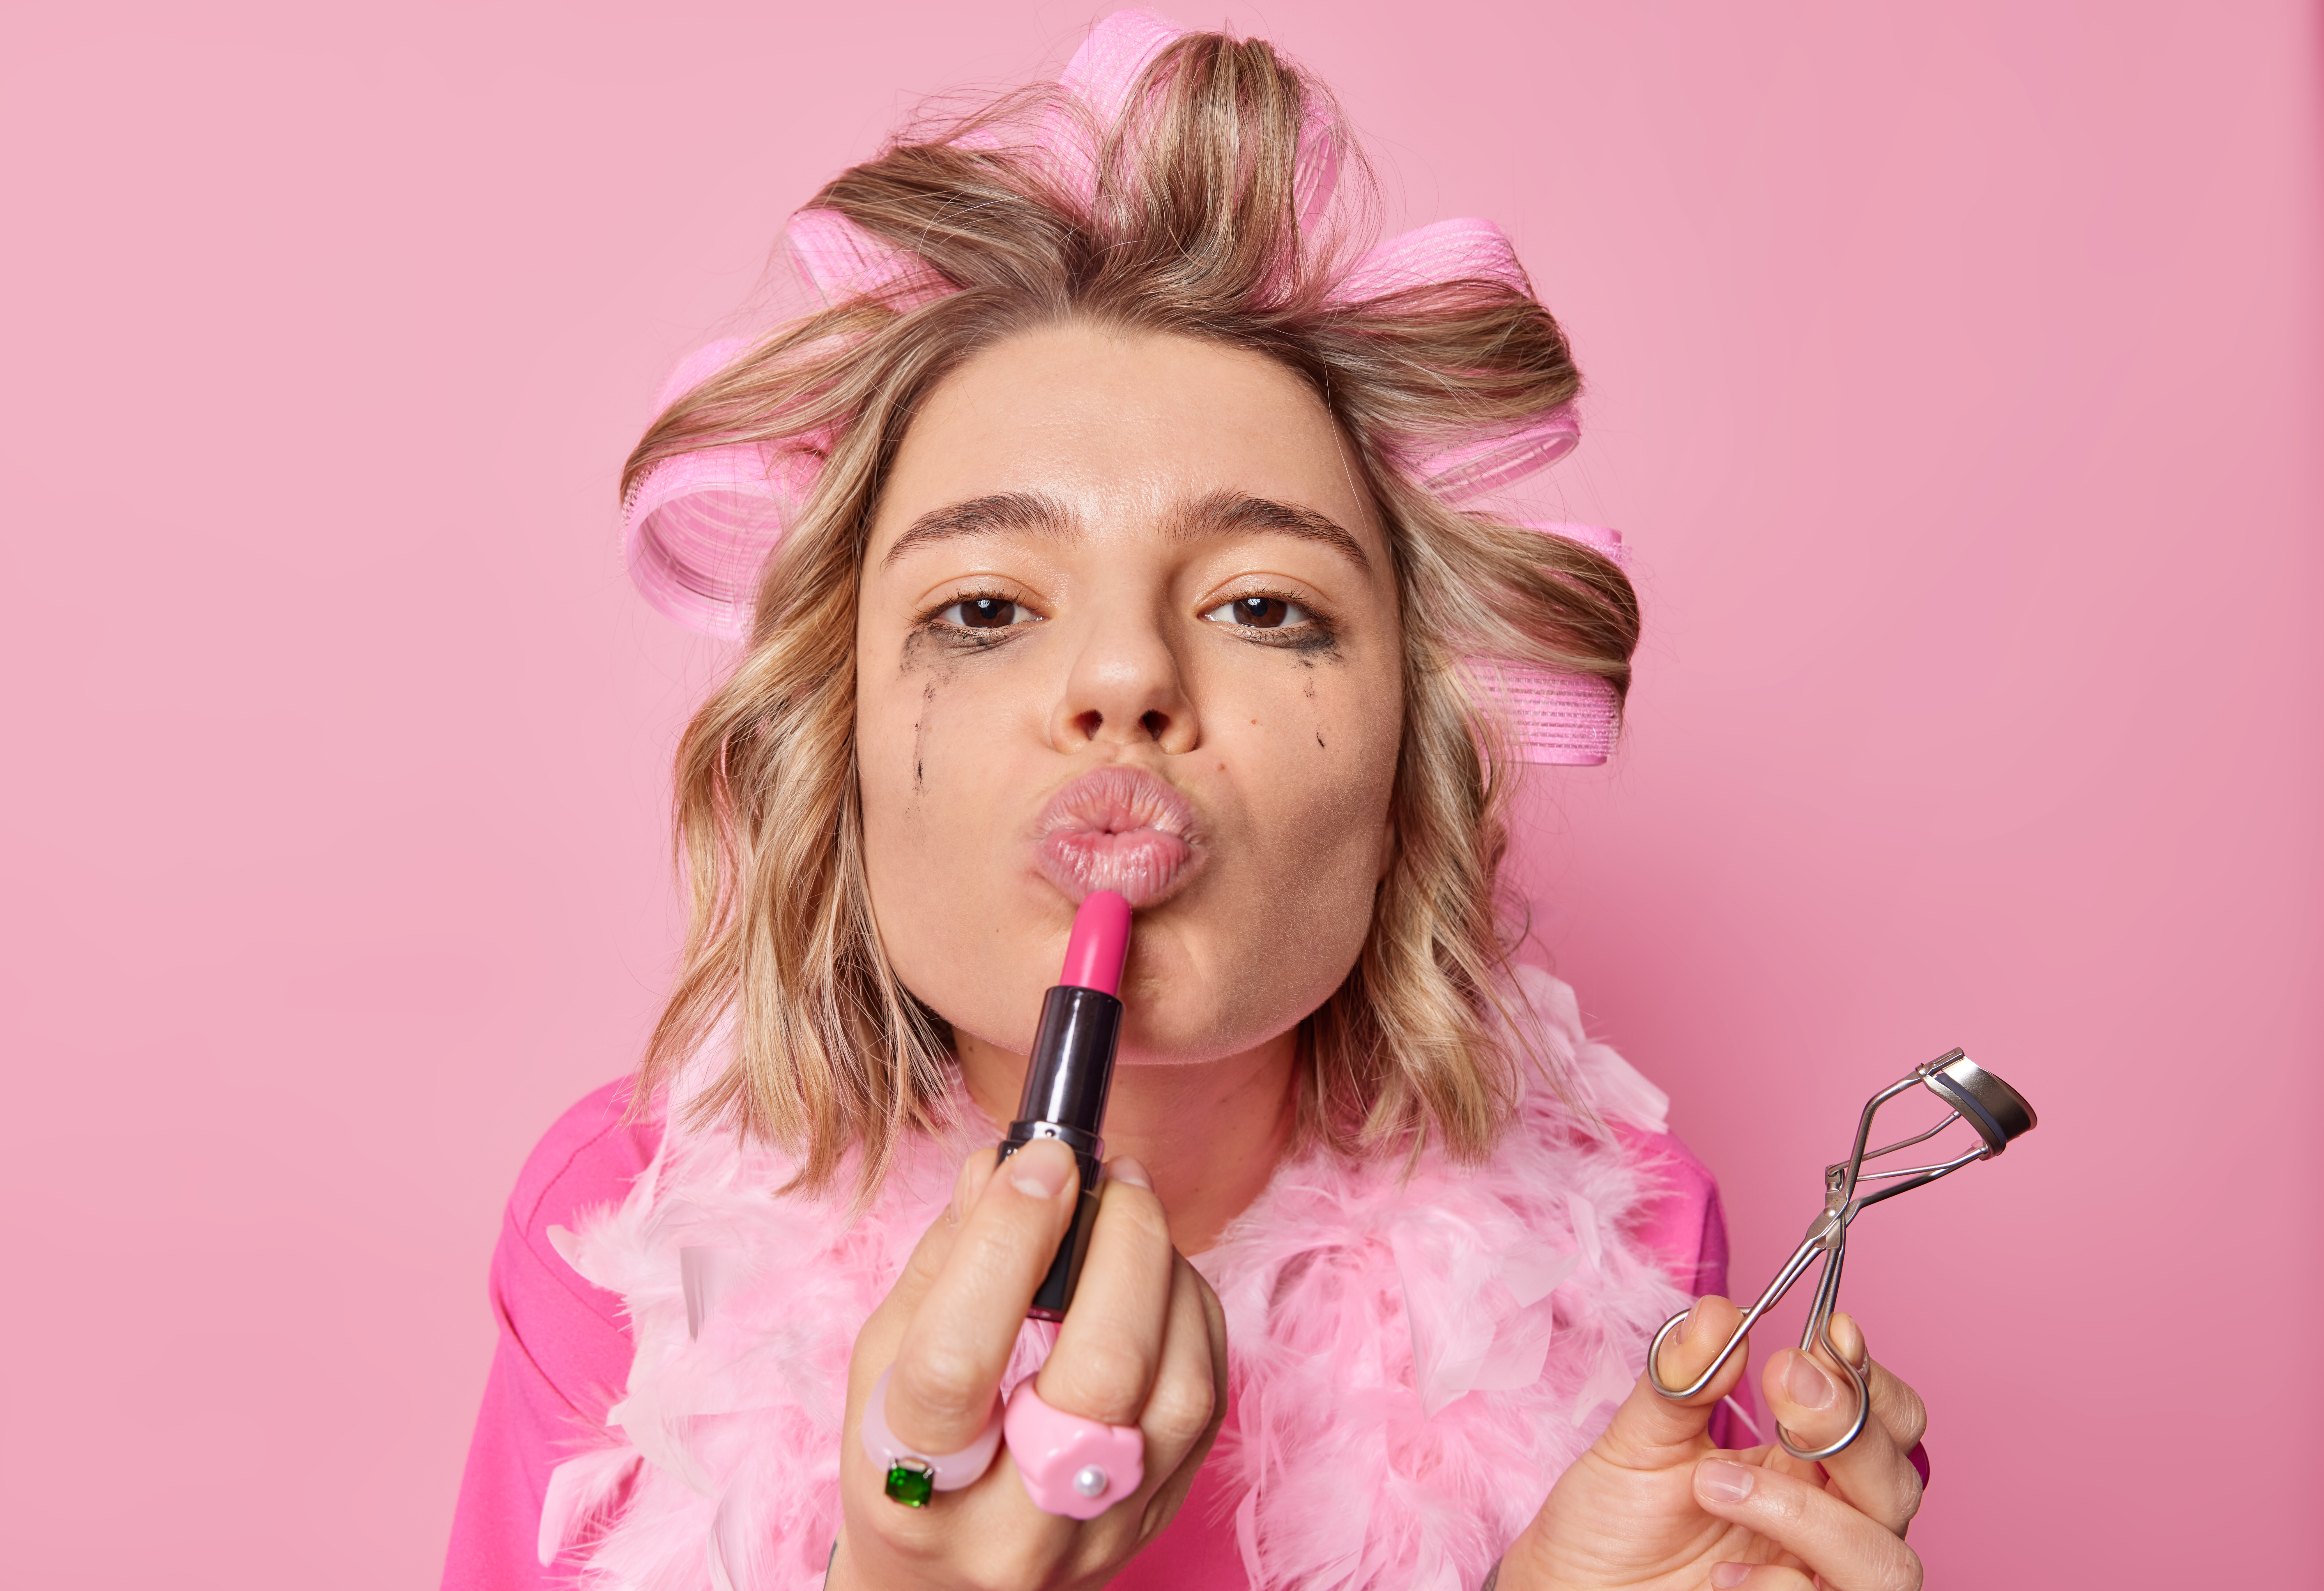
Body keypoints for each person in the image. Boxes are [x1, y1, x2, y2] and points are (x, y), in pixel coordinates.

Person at [442, 13, 1928, 1590]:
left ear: (1409, 767)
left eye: (1266, 606)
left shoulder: (1628, 1253)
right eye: (987, 608)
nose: (1127, 675)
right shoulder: (618, 1241)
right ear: (844, 748)